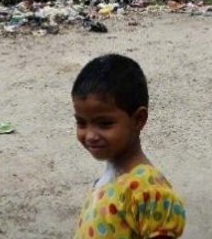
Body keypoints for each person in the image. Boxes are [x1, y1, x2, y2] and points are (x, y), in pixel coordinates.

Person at [72, 54, 185, 239]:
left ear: (138, 119)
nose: (90, 135)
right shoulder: (114, 177)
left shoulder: (148, 192)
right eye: (81, 123)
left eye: (105, 123)